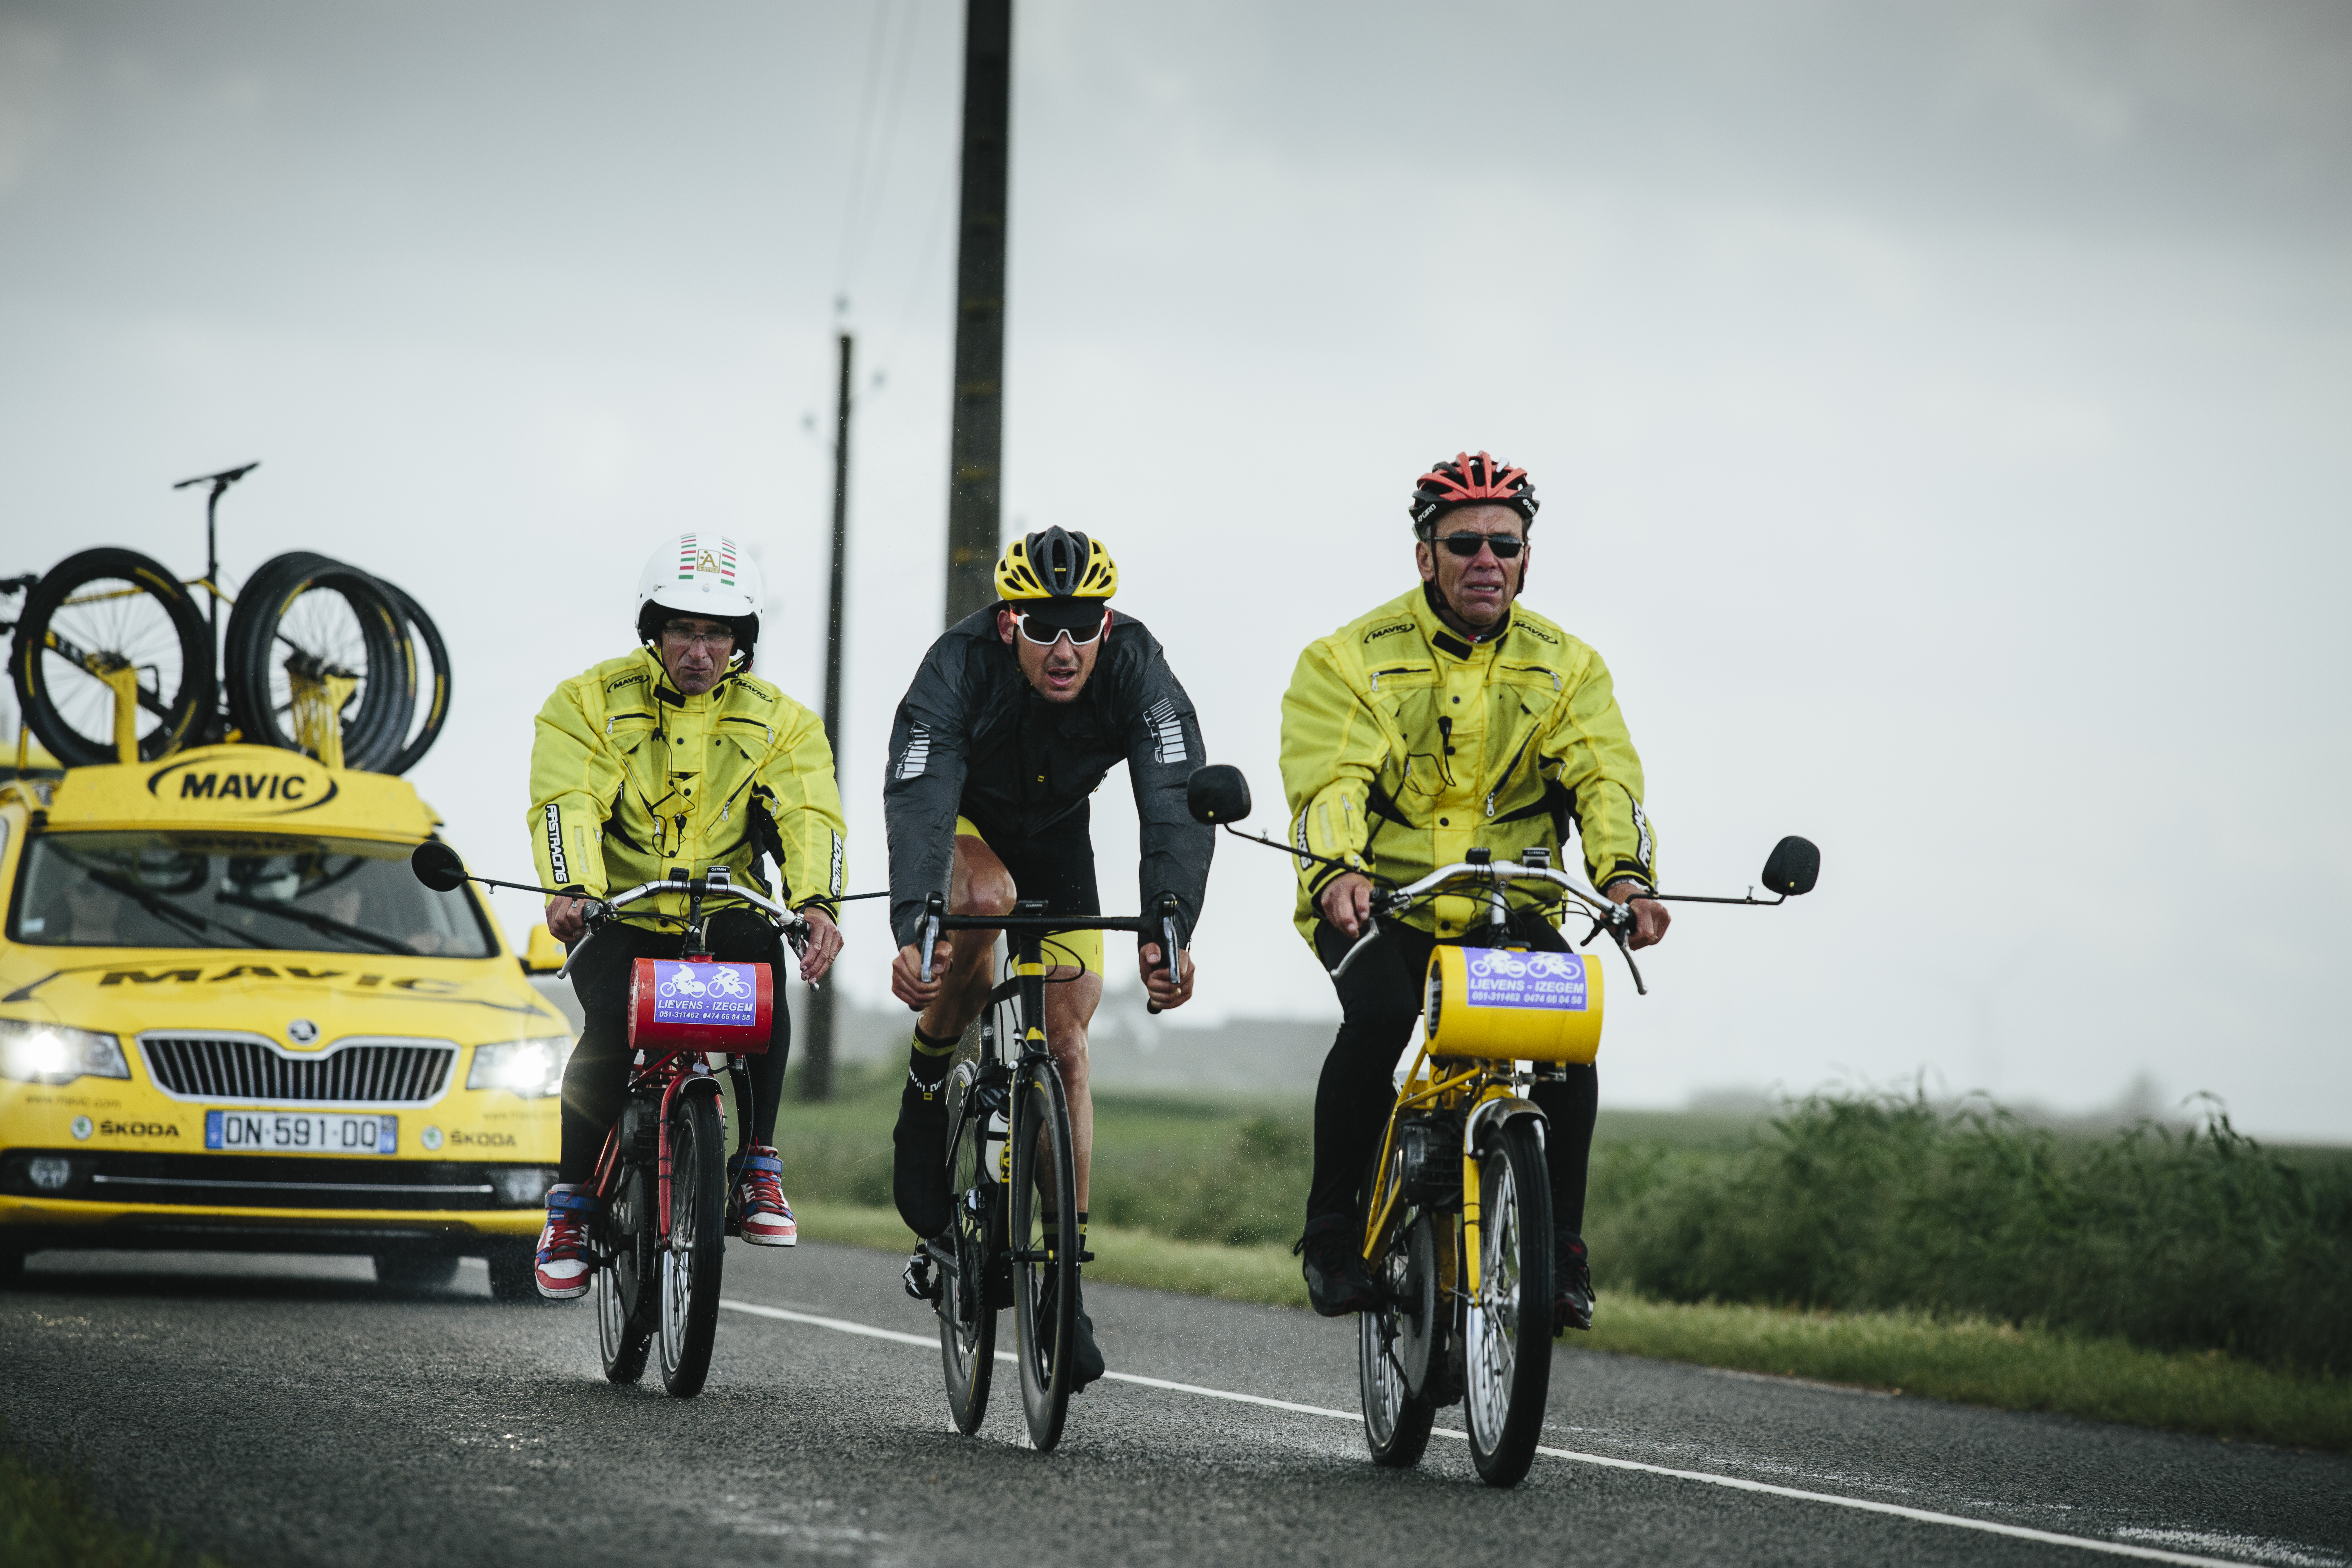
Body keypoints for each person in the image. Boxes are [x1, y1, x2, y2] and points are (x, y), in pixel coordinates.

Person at [1277, 452, 1668, 1330]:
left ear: (1528, 556)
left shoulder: (1570, 667)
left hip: (1510, 906)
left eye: (1505, 543)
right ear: (1425, 558)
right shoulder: (1346, 659)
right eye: (1463, 544)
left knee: (1567, 1040)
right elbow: (1330, 780)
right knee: (1378, 1018)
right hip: (1383, 902)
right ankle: (1334, 1229)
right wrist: (1338, 868)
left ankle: (1561, 1248)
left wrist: (1627, 877)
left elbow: (1606, 782)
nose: (1485, 559)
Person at [884, 527, 1211, 1388]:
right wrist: (919, 921)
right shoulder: (956, 666)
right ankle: (925, 1087)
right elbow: (919, 797)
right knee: (984, 904)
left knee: (1065, 1039)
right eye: (1042, 629)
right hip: (965, 823)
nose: (1064, 649)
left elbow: (1173, 793)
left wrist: (1168, 924)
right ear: (1007, 627)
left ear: (1107, 622)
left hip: (1059, 836)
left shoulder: (1135, 661)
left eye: (1083, 624)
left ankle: (1063, 1281)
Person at [523, 534, 848, 1300]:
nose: (698, 651)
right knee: (607, 1025)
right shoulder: (586, 702)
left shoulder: (785, 723)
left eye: (716, 634)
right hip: (622, 912)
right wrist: (571, 889)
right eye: (682, 631)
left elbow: (808, 813)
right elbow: (567, 799)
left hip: (727, 910)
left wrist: (816, 903)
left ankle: (759, 1162)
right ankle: (569, 1207)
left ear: (740, 642)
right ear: (653, 631)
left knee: (766, 981)